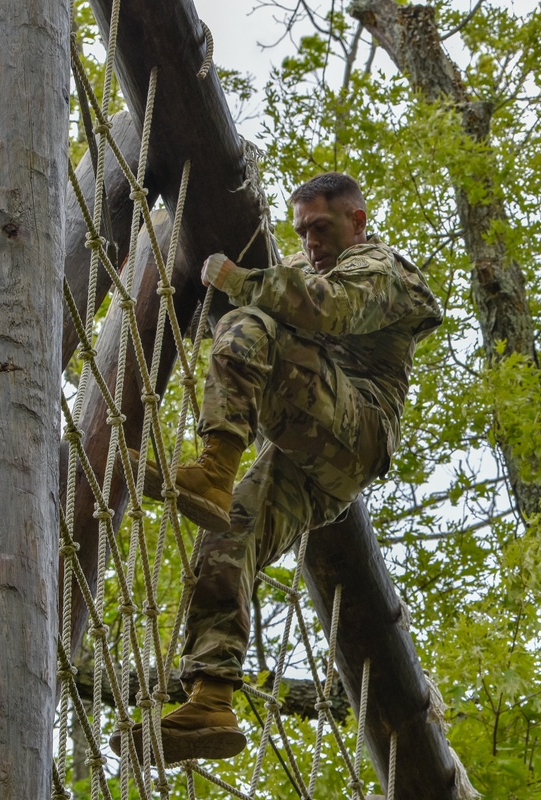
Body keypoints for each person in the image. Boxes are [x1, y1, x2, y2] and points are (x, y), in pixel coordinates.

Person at [113, 172, 442, 764]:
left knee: (246, 323)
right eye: (303, 232)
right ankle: (211, 697)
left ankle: (215, 465)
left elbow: (326, 308)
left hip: (358, 427)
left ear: (356, 221)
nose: (311, 242)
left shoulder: (382, 267)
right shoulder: (300, 268)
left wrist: (239, 282)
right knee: (224, 537)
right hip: (313, 463)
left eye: (321, 228)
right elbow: (280, 298)